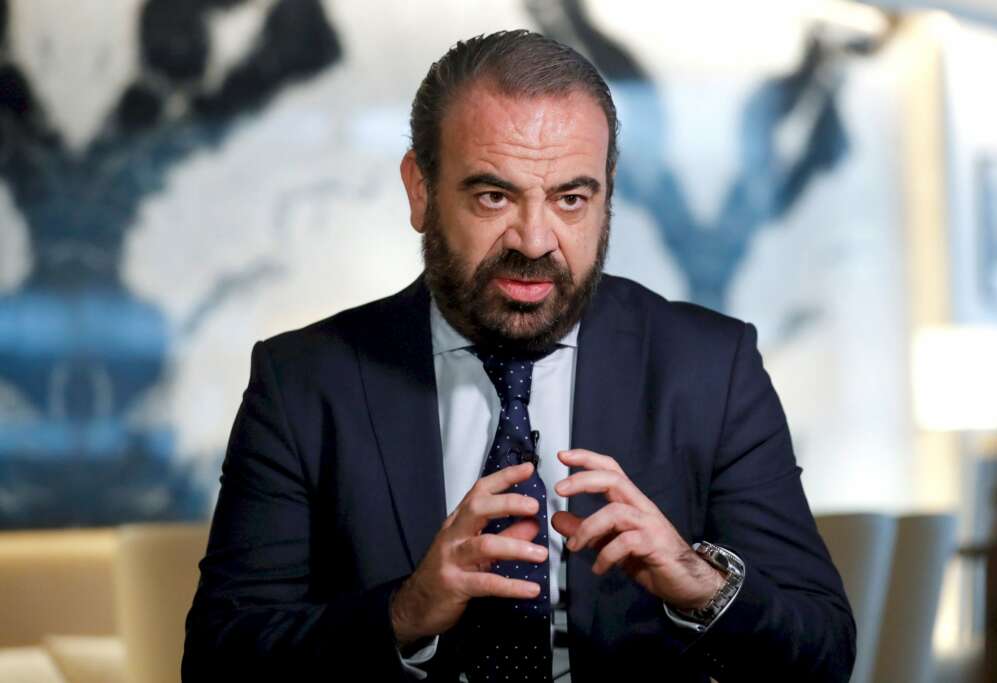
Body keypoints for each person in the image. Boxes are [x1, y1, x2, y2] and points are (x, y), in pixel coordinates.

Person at [182, 30, 855, 682]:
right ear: (420, 190)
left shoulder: (711, 368)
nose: (534, 240)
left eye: (570, 199)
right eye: (494, 196)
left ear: (607, 196)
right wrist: (406, 614)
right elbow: (218, 661)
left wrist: (695, 581)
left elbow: (822, 653)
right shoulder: (302, 382)